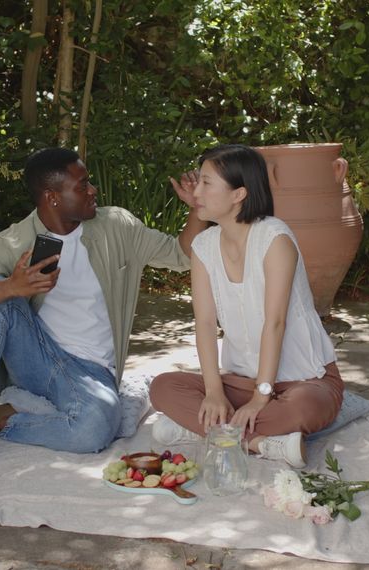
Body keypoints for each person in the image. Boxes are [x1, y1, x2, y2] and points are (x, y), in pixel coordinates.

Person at [0, 147, 207, 480]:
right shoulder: (16, 242)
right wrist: (11, 287)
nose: (93, 191)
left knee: (95, 429)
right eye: (83, 185)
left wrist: (198, 208)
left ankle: (2, 417)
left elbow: (182, 254)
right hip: (35, 360)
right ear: (52, 197)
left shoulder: (116, 226)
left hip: (92, 372)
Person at [148, 144, 343, 469]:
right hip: (241, 380)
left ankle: (202, 433)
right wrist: (213, 392)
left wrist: (260, 397)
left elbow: (275, 322)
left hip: (306, 380)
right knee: (163, 388)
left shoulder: (274, 239)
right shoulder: (204, 246)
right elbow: (205, 323)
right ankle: (263, 443)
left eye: (206, 183)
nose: (196, 191)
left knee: (303, 408)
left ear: (239, 193)